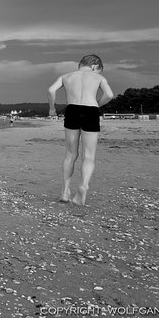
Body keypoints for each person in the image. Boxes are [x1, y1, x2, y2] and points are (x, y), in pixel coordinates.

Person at [47, 54, 114, 207]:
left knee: (70, 153)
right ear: (95, 66)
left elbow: (51, 90)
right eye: (99, 71)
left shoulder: (67, 76)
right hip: (91, 111)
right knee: (89, 155)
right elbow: (109, 95)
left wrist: (52, 109)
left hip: (72, 110)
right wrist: (97, 103)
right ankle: (83, 186)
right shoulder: (98, 78)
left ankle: (65, 191)